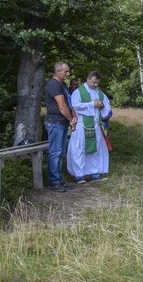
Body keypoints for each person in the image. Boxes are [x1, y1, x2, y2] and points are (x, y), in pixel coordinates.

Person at [67, 70, 111, 183]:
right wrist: (92, 104)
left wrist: (101, 106)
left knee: (95, 149)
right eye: (94, 82)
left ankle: (94, 174)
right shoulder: (78, 92)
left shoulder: (99, 93)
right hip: (82, 126)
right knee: (80, 150)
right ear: (88, 79)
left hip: (95, 125)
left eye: (97, 83)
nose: (96, 85)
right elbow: (75, 106)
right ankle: (79, 175)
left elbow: (107, 107)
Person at [44, 61, 77, 192]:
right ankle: (54, 182)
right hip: (55, 122)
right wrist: (70, 119)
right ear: (57, 72)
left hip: (62, 123)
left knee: (61, 152)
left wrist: (73, 119)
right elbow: (62, 106)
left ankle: (59, 180)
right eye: (66, 72)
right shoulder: (53, 85)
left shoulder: (62, 85)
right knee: (55, 152)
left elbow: (69, 103)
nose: (68, 74)